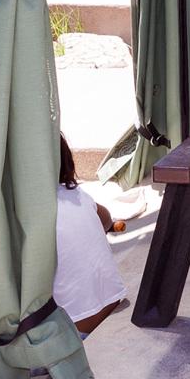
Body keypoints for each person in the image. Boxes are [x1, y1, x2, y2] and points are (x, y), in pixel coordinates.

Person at [55, 135, 125, 335]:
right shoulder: (77, 195)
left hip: (72, 331)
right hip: (112, 305)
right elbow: (105, 218)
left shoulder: (24, 216)